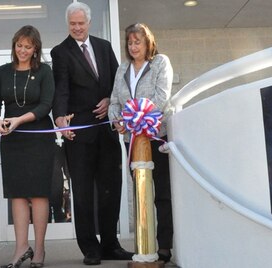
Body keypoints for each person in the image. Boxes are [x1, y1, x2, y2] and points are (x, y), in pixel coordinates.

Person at [50, 2, 134, 265]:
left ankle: (111, 244)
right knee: (83, 193)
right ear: (68, 24)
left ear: (89, 23)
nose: (77, 28)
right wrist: (61, 119)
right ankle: (90, 248)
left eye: (81, 23)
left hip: (107, 131)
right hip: (80, 135)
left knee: (111, 189)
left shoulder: (103, 46)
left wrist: (111, 100)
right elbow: (61, 88)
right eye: (72, 24)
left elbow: (119, 80)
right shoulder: (60, 52)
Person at [107, 23, 175, 263]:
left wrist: (140, 119)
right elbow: (114, 101)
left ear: (148, 43)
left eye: (138, 42)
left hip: (156, 135)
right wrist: (117, 121)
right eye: (130, 43)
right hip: (131, 140)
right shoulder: (122, 68)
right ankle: (143, 244)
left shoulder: (160, 63)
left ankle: (165, 245)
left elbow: (162, 96)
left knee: (162, 193)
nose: (133, 47)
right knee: (140, 192)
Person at [0, 25, 54, 268]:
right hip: (12, 138)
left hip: (37, 135)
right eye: (19, 45)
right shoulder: (4, 71)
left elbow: (46, 105)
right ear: (14, 45)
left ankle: (39, 249)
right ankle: (20, 248)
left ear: (35, 48)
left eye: (28, 46)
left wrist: (19, 119)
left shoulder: (45, 71)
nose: (23, 50)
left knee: (38, 193)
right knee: (16, 193)